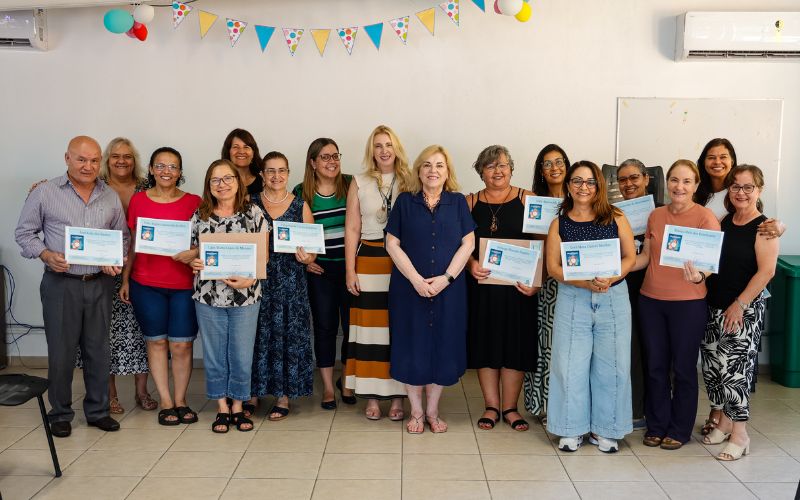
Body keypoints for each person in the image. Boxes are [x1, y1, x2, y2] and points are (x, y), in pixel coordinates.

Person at [15, 136, 128, 437]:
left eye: (94, 160)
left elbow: (123, 238)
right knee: (62, 351)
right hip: (61, 284)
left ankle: (98, 411)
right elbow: (24, 233)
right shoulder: (45, 193)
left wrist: (116, 260)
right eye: (81, 159)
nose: (88, 166)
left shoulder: (110, 196)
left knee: (98, 350)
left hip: (100, 283)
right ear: (67, 158)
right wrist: (46, 254)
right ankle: (61, 412)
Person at [695, 138, 785, 435]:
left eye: (748, 188)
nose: (741, 193)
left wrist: (741, 303)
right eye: (736, 187)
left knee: (735, 372)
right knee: (713, 367)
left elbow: (767, 271)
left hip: (742, 307)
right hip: (714, 304)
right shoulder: (724, 221)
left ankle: (739, 435)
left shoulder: (765, 227)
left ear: (759, 191)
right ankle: (722, 423)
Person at [545, 160, 636, 453]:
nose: (583, 187)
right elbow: (554, 267)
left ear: (598, 186)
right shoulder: (559, 223)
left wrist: (610, 277)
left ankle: (605, 429)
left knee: (613, 367)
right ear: (569, 187)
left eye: (589, 182)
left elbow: (629, 257)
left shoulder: (616, 217)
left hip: (613, 297)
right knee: (569, 365)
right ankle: (571, 430)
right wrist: (584, 283)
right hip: (574, 297)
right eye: (577, 182)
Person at [386, 145, 475, 434]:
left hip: (449, 290)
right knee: (412, 347)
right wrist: (414, 279)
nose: (433, 170)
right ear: (418, 171)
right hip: (408, 289)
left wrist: (446, 278)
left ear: (447, 171)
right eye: (426, 165)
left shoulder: (458, 202)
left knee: (442, 347)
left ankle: (433, 412)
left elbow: (468, 244)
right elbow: (392, 244)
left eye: (439, 165)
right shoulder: (404, 202)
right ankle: (416, 413)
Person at [633, 159, 721, 450]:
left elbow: (709, 263)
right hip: (651, 301)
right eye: (674, 180)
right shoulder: (656, 215)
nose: (679, 187)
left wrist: (700, 276)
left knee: (683, 368)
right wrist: (616, 267)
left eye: (686, 181)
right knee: (655, 366)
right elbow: (646, 256)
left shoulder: (705, 217)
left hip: (688, 304)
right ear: (666, 182)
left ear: (696, 186)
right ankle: (657, 425)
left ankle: (680, 428)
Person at [121, 147, 202, 426]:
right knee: (156, 342)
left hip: (184, 285)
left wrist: (194, 251)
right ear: (152, 169)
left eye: (173, 166)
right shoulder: (139, 201)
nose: (167, 171)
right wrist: (125, 279)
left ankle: (181, 400)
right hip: (145, 284)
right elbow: (132, 243)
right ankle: (165, 402)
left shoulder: (195, 202)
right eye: (161, 165)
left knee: (181, 346)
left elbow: (205, 240)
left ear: (180, 173)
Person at [465, 145, 539, 432]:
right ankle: (491, 406)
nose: (498, 171)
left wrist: (536, 282)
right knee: (486, 345)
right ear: (481, 171)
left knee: (514, 346)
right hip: (483, 287)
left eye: (503, 165)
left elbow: (544, 243)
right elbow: (460, 243)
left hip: (519, 289)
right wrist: (471, 263)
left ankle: (510, 407)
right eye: (491, 166)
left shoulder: (528, 199)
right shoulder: (469, 202)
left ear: (511, 168)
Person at [191, 160, 267, 433]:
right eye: (215, 180)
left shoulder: (254, 214)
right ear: (208, 186)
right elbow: (191, 252)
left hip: (246, 297)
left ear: (238, 181)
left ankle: (238, 404)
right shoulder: (199, 215)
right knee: (214, 354)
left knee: (241, 354)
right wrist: (194, 262)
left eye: (227, 178)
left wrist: (250, 278)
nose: (222, 184)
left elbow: (263, 256)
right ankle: (221, 406)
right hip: (208, 297)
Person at [344, 125, 410, 420]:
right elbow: (352, 228)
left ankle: (398, 397)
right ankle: (372, 396)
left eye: (388, 144)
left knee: (398, 329)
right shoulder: (359, 181)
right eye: (378, 145)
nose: (384, 150)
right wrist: (350, 270)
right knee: (370, 332)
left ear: (397, 148)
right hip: (369, 259)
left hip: (403, 262)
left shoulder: (411, 179)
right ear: (372, 150)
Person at [251, 152, 316, 421]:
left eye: (282, 170)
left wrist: (307, 257)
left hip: (290, 283)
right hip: (256, 282)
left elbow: (312, 252)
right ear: (262, 175)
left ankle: (283, 396)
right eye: (270, 171)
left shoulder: (300, 205)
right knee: (255, 337)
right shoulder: (250, 203)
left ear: (289, 174)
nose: (276, 176)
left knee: (288, 338)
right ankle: (251, 394)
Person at [294, 138, 355, 409]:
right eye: (325, 157)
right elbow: (294, 235)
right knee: (325, 327)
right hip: (320, 270)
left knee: (353, 327)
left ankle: (348, 381)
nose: (332, 162)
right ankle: (329, 388)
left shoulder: (351, 183)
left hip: (351, 268)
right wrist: (306, 261)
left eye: (335, 156)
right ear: (313, 163)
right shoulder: (301, 191)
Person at [523, 144, 571, 421]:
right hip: (544, 283)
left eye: (559, 162)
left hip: (574, 281)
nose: (554, 168)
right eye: (547, 164)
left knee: (569, 347)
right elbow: (530, 246)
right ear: (541, 171)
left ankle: (569, 405)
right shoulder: (534, 202)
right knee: (545, 344)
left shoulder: (581, 198)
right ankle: (545, 405)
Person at [616, 159, 658, 430]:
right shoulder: (612, 213)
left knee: (653, 350)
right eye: (622, 180)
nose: (628, 184)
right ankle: (634, 409)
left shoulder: (659, 213)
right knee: (629, 349)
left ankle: (654, 409)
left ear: (646, 179)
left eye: (634, 178)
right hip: (622, 287)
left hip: (653, 288)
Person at [221, 128, 264, 195]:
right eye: (236, 147)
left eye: (246, 147)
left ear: (253, 153)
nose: (241, 151)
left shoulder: (264, 180)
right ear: (228, 152)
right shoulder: (221, 182)